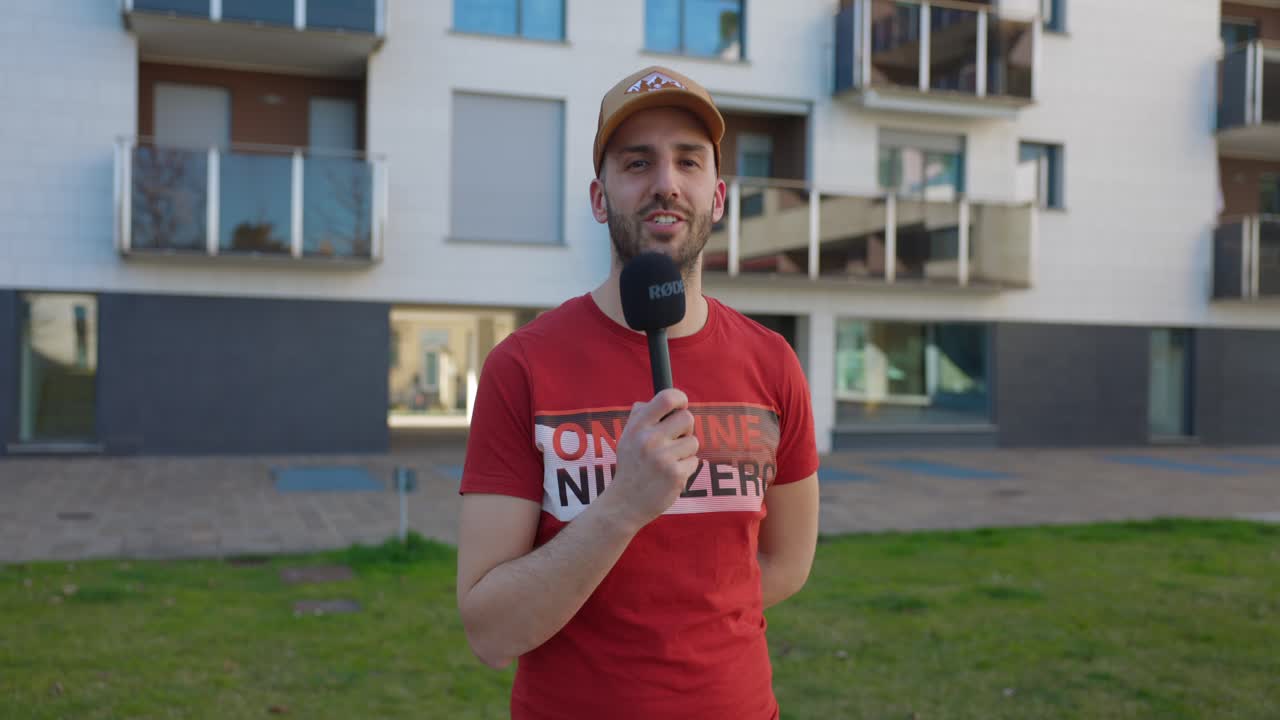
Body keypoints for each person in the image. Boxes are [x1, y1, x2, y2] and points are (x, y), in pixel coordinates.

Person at [456, 65, 820, 720]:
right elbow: (489, 631)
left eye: (689, 161)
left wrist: (679, 624)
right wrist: (624, 505)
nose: (666, 184)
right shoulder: (522, 367)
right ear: (599, 199)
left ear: (720, 195)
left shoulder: (773, 364)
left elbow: (789, 563)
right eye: (637, 163)